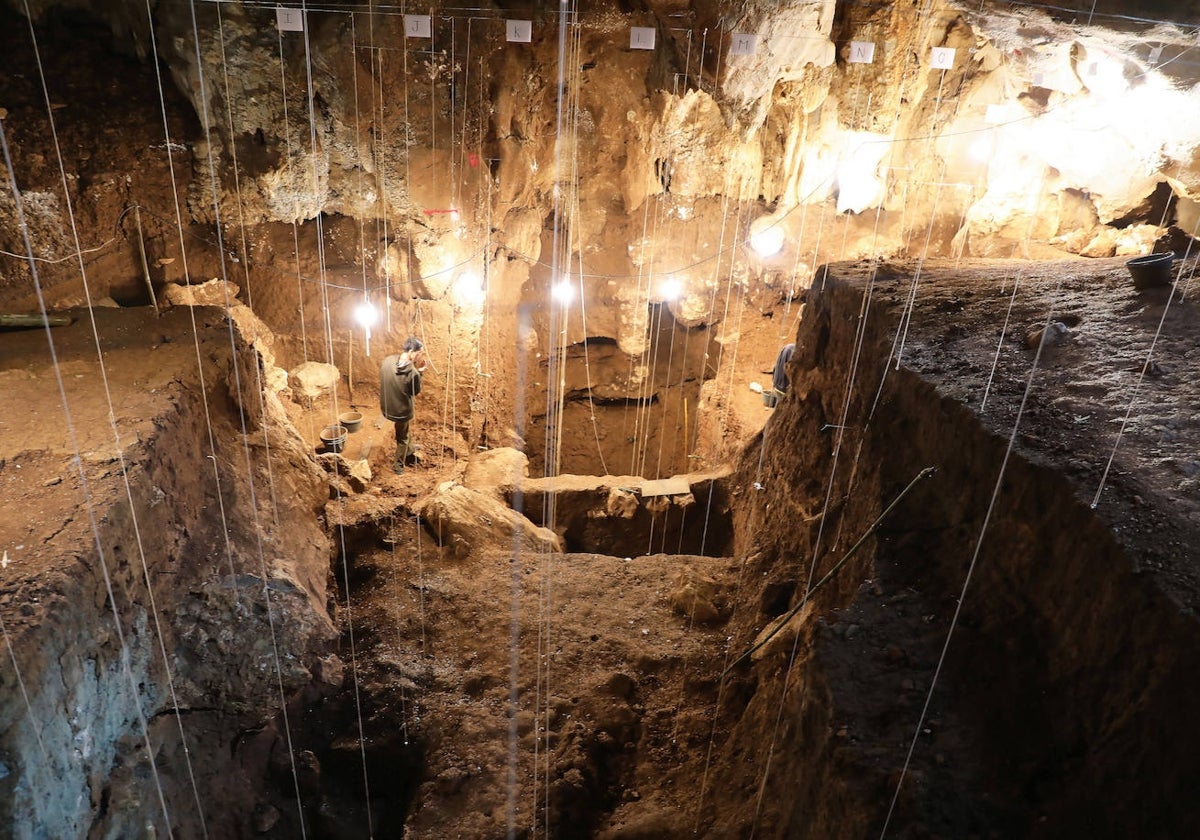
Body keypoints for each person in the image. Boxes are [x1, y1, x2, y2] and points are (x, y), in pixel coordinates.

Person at [380, 337, 426, 473]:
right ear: (412, 351)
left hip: (387, 406)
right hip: (401, 411)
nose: (420, 356)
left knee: (404, 430)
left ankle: (410, 449)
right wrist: (421, 373)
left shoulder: (388, 361)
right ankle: (398, 466)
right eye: (419, 353)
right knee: (403, 438)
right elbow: (414, 391)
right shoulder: (413, 373)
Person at [768, 342, 795, 408]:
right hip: (784, 387)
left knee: (778, 405)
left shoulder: (788, 347)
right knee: (781, 407)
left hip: (777, 383)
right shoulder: (793, 352)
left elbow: (776, 366)